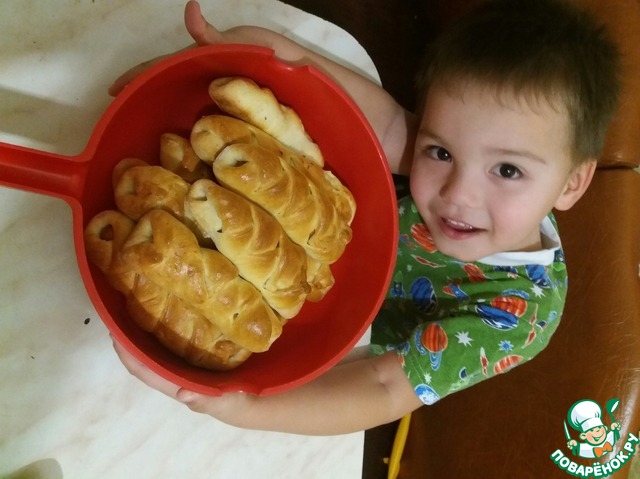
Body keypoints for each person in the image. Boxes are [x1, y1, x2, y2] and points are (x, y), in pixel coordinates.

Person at [111, 0, 620, 435]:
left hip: (344, 341)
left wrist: (244, 409)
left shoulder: (521, 316)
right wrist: (254, 47)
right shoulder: (449, 146)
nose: (457, 194)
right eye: (441, 152)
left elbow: (383, 387)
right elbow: (387, 122)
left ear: (573, 182)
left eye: (507, 170)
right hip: (305, 245)